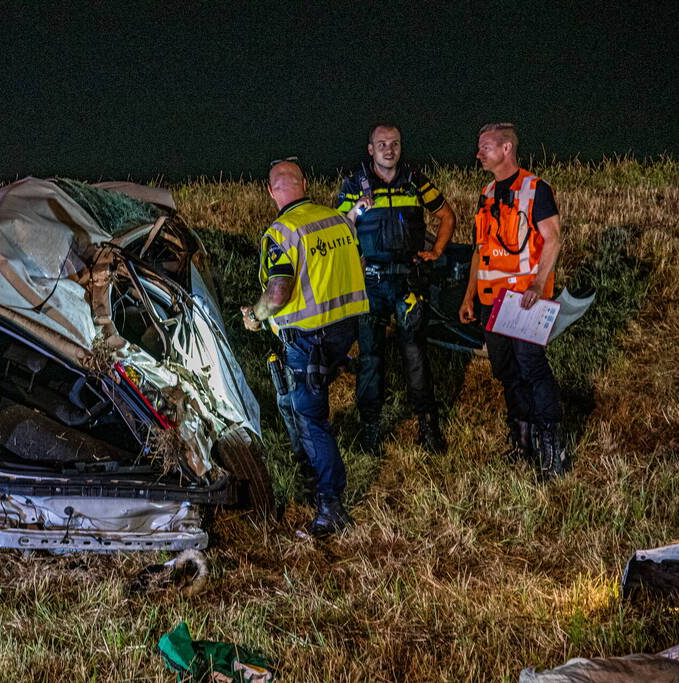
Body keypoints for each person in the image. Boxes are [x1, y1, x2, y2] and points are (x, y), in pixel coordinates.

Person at [240, 159, 368, 536]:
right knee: (308, 411)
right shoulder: (336, 220)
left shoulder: (282, 232)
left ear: (270, 190)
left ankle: (330, 507)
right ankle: (310, 473)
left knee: (313, 421)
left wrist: (258, 316)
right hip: (344, 332)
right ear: (304, 183)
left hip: (309, 340)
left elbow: (278, 291)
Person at [335, 123, 456, 456]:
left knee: (416, 356)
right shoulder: (352, 186)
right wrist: (358, 208)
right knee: (370, 360)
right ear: (371, 149)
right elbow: (339, 231)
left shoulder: (416, 181)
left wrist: (437, 252)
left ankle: (428, 427)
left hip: (407, 284)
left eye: (395, 144)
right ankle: (370, 431)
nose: (389, 149)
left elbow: (447, 215)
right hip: (370, 285)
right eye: (382, 144)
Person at [458, 122, 566, 478]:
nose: (478, 154)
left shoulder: (535, 189)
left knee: (531, 368)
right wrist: (469, 295)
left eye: (485, 147)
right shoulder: (486, 193)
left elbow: (552, 239)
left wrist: (537, 284)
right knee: (506, 372)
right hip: (492, 303)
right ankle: (523, 442)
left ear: (506, 149)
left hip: (524, 302)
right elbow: (480, 249)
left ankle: (552, 447)